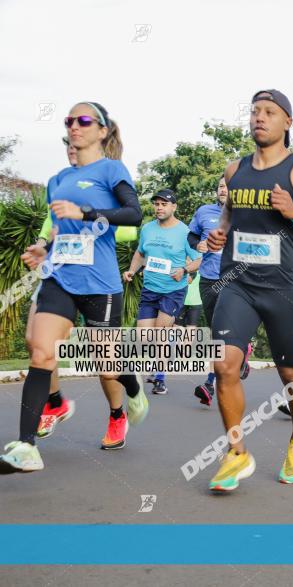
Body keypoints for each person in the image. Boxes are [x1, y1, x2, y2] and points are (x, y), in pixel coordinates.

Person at [204, 89, 293, 491]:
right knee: (224, 365)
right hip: (238, 284)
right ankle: (236, 453)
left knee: (290, 372)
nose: (259, 118)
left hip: (283, 288)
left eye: (269, 112)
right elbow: (230, 213)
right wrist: (221, 233)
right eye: (254, 112)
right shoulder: (235, 171)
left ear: (287, 123)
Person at [2, 102, 146, 473]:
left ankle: (130, 391)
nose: (74, 126)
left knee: (106, 361)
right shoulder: (57, 179)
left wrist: (86, 214)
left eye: (83, 120)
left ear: (102, 130)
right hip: (60, 278)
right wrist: (44, 248)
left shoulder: (112, 170)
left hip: (100, 284)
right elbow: (62, 233)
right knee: (40, 352)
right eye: (69, 121)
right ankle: (26, 446)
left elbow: (133, 213)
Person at [124, 189, 202, 395]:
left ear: (173, 207)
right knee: (144, 337)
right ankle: (171, 344)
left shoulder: (186, 232)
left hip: (173, 290)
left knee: (159, 334)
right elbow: (140, 253)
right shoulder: (148, 229)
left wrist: (184, 270)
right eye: (156, 204)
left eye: (164, 204)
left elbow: (199, 259)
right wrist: (132, 270)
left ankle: (160, 378)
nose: (159, 207)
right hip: (150, 289)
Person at [187, 176, 229, 405]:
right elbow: (191, 235)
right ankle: (241, 353)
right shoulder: (204, 212)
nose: (223, 189)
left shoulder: (245, 215)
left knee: (225, 330)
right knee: (216, 332)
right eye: (221, 186)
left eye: (228, 186)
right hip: (209, 279)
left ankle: (210, 383)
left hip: (235, 279)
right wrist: (197, 245)